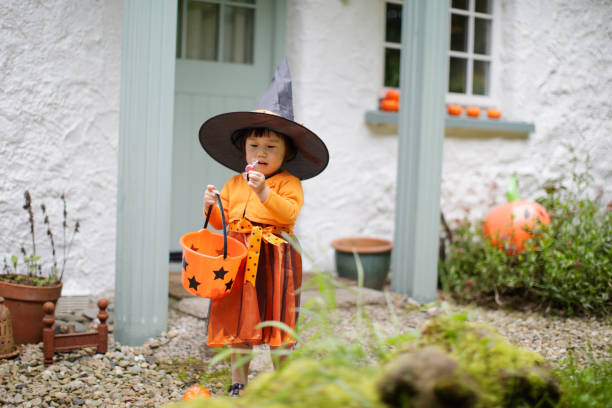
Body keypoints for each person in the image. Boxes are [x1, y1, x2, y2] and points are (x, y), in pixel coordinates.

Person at [197, 58, 329, 397]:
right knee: (239, 323)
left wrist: (264, 191)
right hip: (238, 258)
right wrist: (211, 208)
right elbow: (222, 223)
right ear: (243, 148)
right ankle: (238, 381)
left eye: (271, 147)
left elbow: (287, 215)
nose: (262, 152)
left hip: (275, 258)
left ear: (286, 153)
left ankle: (281, 381)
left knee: (276, 321)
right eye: (255, 146)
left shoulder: (289, 183)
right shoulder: (234, 182)